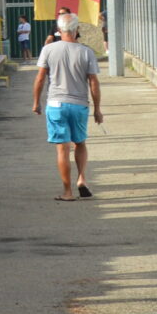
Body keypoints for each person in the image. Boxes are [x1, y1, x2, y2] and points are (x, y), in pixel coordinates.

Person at [34, 14, 101, 200]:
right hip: (79, 104)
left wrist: (36, 102)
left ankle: (68, 192)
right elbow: (93, 82)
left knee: (62, 148)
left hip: (56, 104)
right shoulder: (86, 52)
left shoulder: (48, 50)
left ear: (58, 30)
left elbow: (40, 78)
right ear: (77, 30)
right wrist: (97, 109)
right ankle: (81, 178)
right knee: (80, 142)